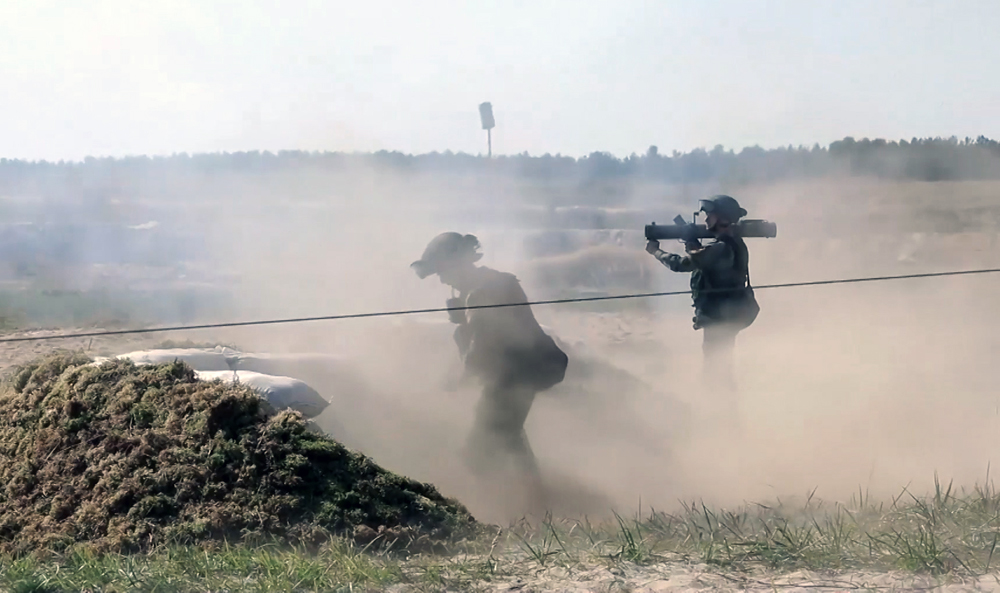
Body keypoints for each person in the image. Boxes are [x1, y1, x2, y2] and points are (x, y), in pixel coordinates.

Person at [411, 232, 568, 506]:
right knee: (508, 436)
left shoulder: (483, 291)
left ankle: (518, 506)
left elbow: (485, 344)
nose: (443, 280)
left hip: (517, 372)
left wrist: (459, 378)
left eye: (442, 272)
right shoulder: (487, 284)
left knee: (480, 450)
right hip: (516, 373)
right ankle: (538, 503)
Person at [644, 195, 759, 392]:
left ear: (721, 218)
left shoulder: (722, 248)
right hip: (727, 315)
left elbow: (683, 264)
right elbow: (705, 258)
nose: (706, 220)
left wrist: (656, 252)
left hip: (720, 318)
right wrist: (691, 242)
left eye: (710, 215)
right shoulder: (732, 243)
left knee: (716, 371)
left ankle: (720, 413)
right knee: (720, 367)